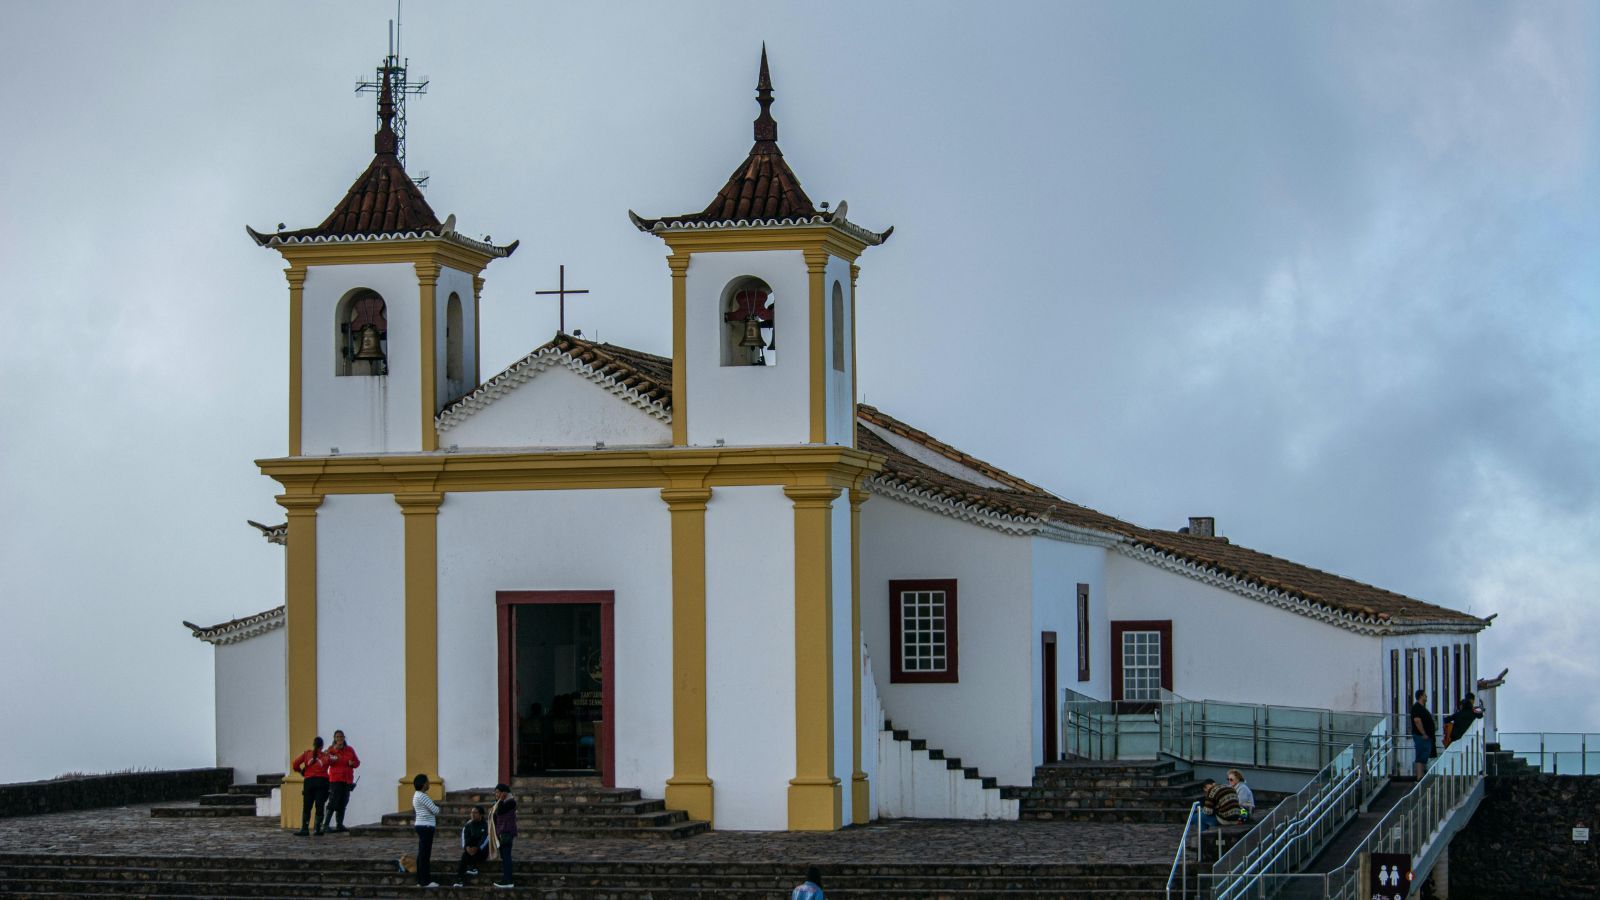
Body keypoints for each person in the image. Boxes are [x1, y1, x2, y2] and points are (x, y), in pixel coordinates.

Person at [290, 736, 330, 836]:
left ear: (313, 744)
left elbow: (295, 764)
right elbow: (334, 762)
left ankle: (305, 828)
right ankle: (317, 828)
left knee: (307, 805)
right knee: (319, 805)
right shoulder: (325, 756)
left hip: (309, 781)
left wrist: (301, 771)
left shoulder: (307, 754)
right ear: (322, 745)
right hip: (322, 781)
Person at [324, 729, 360, 833]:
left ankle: (339, 824)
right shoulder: (331, 750)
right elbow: (326, 761)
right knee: (333, 802)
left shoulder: (350, 750)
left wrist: (352, 763)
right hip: (335, 780)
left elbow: (357, 763)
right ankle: (325, 825)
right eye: (337, 737)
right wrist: (331, 756)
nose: (339, 739)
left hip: (347, 780)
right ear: (334, 739)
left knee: (343, 802)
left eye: (341, 737)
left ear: (344, 738)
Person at [409, 774, 441, 889]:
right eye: (427, 782)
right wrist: (437, 807)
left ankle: (421, 879)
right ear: (423, 784)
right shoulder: (423, 796)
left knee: (422, 854)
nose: (429, 784)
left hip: (422, 825)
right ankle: (425, 881)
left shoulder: (417, 795)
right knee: (425, 855)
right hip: (426, 826)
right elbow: (435, 810)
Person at [453, 805, 491, 887]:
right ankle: (459, 880)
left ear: (481, 814)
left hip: (481, 852)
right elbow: (464, 838)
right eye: (472, 813)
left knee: (475, 843)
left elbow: (485, 840)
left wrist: (477, 848)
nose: (473, 814)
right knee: (465, 855)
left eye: (475, 813)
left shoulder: (486, 825)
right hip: (470, 850)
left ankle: (472, 867)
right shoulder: (468, 825)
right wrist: (467, 848)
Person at [490, 782, 518, 889]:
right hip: (500, 832)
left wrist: (501, 799)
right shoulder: (499, 802)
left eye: (498, 792)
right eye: (495, 792)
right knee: (504, 856)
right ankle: (506, 878)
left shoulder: (510, 802)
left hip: (507, 832)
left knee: (506, 856)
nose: (496, 794)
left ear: (504, 793)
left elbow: (501, 812)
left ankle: (508, 880)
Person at [1410, 689, 1435, 779]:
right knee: (1420, 755)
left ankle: (1421, 776)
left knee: (1424, 756)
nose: (1426, 696)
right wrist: (1423, 733)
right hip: (1421, 736)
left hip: (1425, 736)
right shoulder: (1417, 707)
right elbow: (1417, 720)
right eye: (1425, 695)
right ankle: (1419, 777)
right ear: (1421, 696)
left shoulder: (1422, 708)